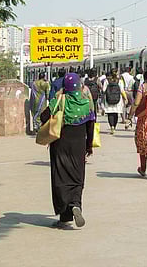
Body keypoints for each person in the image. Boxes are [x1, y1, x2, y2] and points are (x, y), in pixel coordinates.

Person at [41, 73, 95, 229]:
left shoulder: (59, 100)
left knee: (61, 179)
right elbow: (91, 127)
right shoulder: (86, 103)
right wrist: (88, 146)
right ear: (80, 86)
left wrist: (57, 98)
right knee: (77, 178)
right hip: (79, 148)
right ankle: (76, 204)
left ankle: (64, 217)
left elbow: (44, 117)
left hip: (60, 147)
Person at [103, 68, 127, 134]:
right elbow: (122, 91)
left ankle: (111, 127)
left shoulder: (106, 80)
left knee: (110, 113)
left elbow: (104, 90)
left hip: (108, 99)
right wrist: (125, 98)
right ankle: (114, 127)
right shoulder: (120, 81)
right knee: (115, 113)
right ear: (117, 73)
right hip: (117, 100)